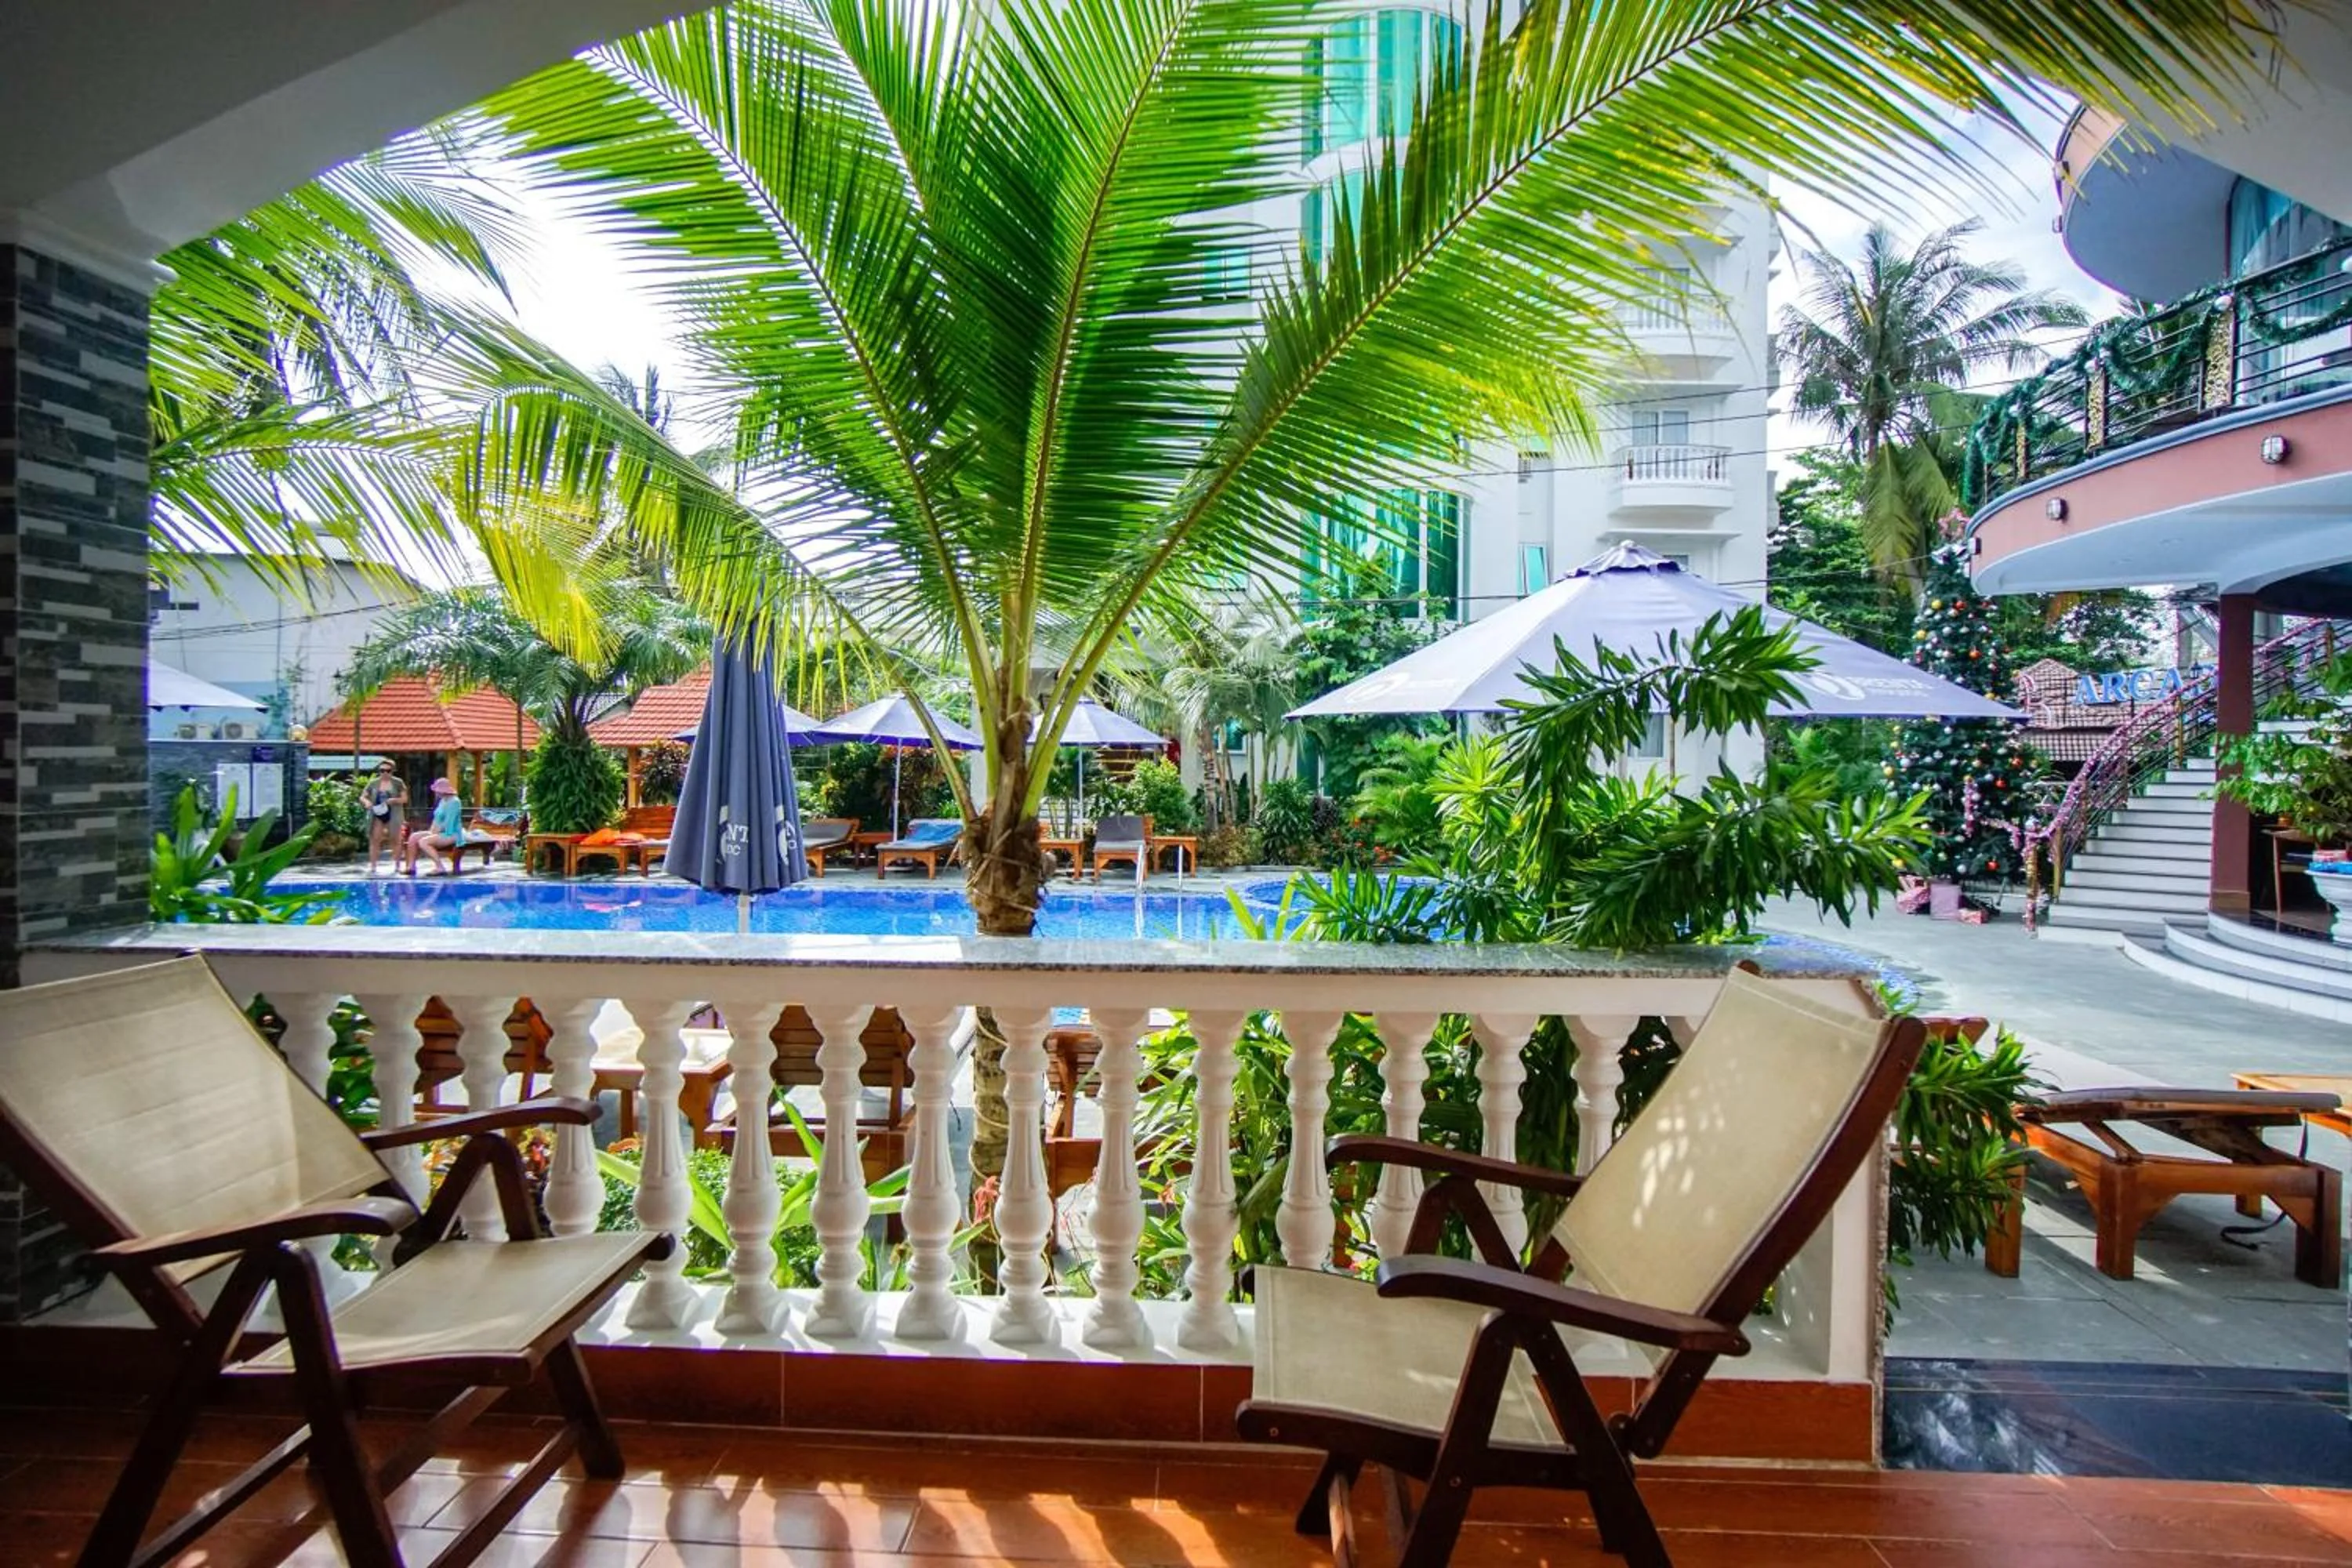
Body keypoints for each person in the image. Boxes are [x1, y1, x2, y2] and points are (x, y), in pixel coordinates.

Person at [402, 776, 467, 877]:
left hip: (452, 833)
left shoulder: (454, 802)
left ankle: (439, 866)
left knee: (424, 841)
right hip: (439, 831)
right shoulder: (442, 801)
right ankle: (411, 867)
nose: (436, 792)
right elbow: (437, 818)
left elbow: (450, 823)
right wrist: (432, 831)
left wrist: (436, 832)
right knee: (413, 837)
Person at [361, 760, 408, 877]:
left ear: (393, 771)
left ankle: (397, 866)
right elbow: (363, 796)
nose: (385, 773)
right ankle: (373, 867)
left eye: (388, 771)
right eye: (382, 771)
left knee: (396, 839)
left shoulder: (398, 782)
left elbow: (404, 799)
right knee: (375, 839)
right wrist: (366, 802)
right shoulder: (373, 783)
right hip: (377, 812)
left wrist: (394, 800)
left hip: (393, 812)